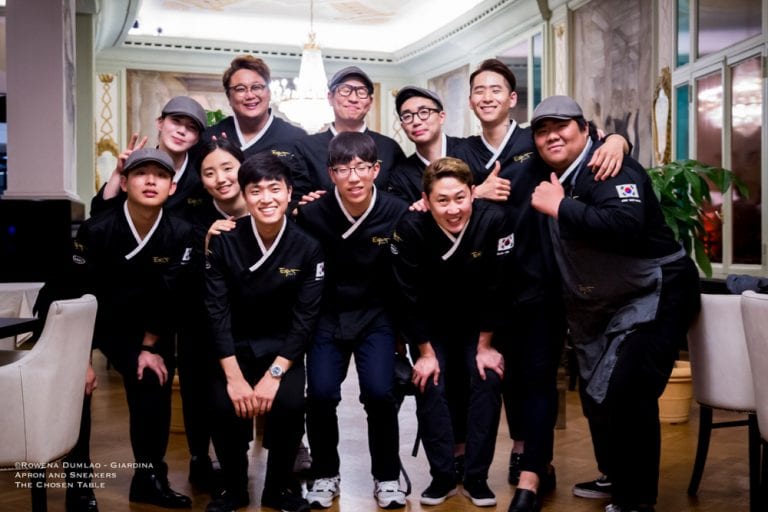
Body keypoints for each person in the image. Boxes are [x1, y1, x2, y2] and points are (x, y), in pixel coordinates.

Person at [454, 58, 629, 512]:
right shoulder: (461, 150)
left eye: (496, 89)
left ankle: (533, 471)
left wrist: (616, 139)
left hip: (540, 284)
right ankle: (492, 462)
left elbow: (583, 145)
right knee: (493, 378)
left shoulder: (533, 142)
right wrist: (474, 194)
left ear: (512, 99)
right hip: (485, 288)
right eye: (478, 90)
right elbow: (434, 197)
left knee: (537, 378)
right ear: (469, 101)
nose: (487, 96)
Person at [529, 95, 701, 512]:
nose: (552, 136)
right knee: (598, 392)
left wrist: (561, 206)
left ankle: (636, 501)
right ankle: (616, 475)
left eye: (561, 126)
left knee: (630, 389)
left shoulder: (609, 166)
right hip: (606, 302)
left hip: (657, 292)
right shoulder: (557, 168)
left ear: (586, 129)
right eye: (542, 131)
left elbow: (626, 225)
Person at [71, 148, 196, 509]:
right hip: (91, 323)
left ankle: (149, 479)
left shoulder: (181, 232)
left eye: (161, 175)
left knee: (153, 378)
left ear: (173, 187)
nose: (151, 181)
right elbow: (73, 294)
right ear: (124, 183)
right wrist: (80, 359)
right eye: (142, 174)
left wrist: (149, 346)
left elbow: (172, 293)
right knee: (76, 390)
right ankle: (79, 485)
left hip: (146, 328)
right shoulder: (96, 229)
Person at [204, 152, 324, 512]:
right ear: (244, 196)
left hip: (282, 350)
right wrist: (235, 378)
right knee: (223, 405)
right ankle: (233, 489)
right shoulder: (224, 241)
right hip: (234, 348)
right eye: (256, 191)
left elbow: (305, 318)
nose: (266, 198)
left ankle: (279, 488)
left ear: (289, 193)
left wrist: (274, 375)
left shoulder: (308, 247)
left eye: (275, 189)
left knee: (289, 403)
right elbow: (216, 311)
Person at [390, 157, 513, 508]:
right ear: (426, 201)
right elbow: (407, 295)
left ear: (473, 193)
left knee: (487, 379)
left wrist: (486, 346)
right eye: (442, 200)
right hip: (432, 327)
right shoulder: (410, 226)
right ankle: (442, 476)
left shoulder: (495, 220)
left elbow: (499, 287)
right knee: (429, 382)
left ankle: (476, 477)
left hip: (479, 325)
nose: (453, 209)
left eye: (460, 197)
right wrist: (425, 353)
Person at [295, 132, 409, 510]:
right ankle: (325, 473)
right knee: (321, 394)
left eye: (362, 167)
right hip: (327, 316)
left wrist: (404, 334)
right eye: (343, 169)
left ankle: (387, 476)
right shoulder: (312, 213)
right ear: (331, 174)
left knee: (379, 393)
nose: (354, 177)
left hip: (376, 316)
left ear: (376, 169)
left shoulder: (396, 211)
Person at [177, 138, 250, 492]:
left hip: (249, 325)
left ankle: (239, 458)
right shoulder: (194, 221)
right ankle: (199, 455)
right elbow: (183, 280)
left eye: (227, 168)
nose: (220, 178)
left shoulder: (267, 208)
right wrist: (206, 245)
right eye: (209, 173)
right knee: (197, 389)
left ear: (243, 168)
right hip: (201, 322)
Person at [290, 66, 406, 205]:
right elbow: (292, 199)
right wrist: (302, 205)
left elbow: (401, 198)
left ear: (370, 102)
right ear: (330, 97)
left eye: (361, 92)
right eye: (345, 91)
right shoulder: (305, 148)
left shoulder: (389, 148)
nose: (353, 98)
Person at [91, 96, 209, 218]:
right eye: (176, 121)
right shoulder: (138, 166)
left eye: (191, 127)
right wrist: (118, 172)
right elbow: (99, 215)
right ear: (160, 123)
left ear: (197, 138)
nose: (181, 131)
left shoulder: (202, 177)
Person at [201, 55, 306, 159]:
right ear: (229, 97)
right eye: (240, 89)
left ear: (269, 93)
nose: (250, 95)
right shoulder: (210, 137)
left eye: (256, 87)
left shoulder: (296, 138)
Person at [387, 86, 464, 204]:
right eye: (407, 117)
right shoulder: (400, 175)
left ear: (441, 117)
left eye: (424, 112)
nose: (416, 122)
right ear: (403, 127)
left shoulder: (470, 150)